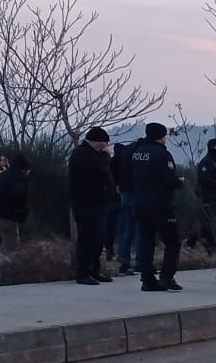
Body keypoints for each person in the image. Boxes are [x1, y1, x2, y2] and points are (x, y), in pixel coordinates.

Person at [129, 122, 184, 291]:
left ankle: (147, 279)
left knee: (146, 241)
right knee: (173, 241)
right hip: (161, 204)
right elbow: (168, 179)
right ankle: (167, 277)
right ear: (161, 136)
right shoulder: (162, 154)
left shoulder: (137, 153)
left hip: (140, 202)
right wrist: (179, 182)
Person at [67, 127, 117, 285]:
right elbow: (97, 170)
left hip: (99, 203)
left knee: (98, 238)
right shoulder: (82, 154)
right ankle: (83, 272)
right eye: (104, 143)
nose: (106, 146)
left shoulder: (93, 154)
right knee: (87, 238)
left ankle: (94, 270)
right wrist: (104, 155)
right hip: (86, 203)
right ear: (97, 141)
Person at [0, 153, 33, 247]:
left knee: (0, 243)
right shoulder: (19, 178)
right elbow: (18, 199)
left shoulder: (3, 175)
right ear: (24, 168)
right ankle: (0, 261)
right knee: (10, 247)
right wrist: (22, 214)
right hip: (6, 217)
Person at [111, 137, 139, 276]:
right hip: (135, 194)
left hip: (123, 193)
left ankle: (124, 260)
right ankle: (139, 261)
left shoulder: (121, 157)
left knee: (127, 228)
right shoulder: (138, 155)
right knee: (140, 228)